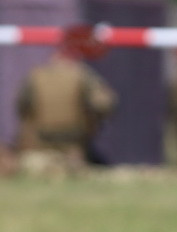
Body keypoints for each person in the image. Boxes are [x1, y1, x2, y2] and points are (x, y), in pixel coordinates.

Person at [14, 24, 117, 176]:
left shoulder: (35, 76)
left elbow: (21, 106)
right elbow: (105, 104)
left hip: (38, 145)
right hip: (73, 144)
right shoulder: (83, 75)